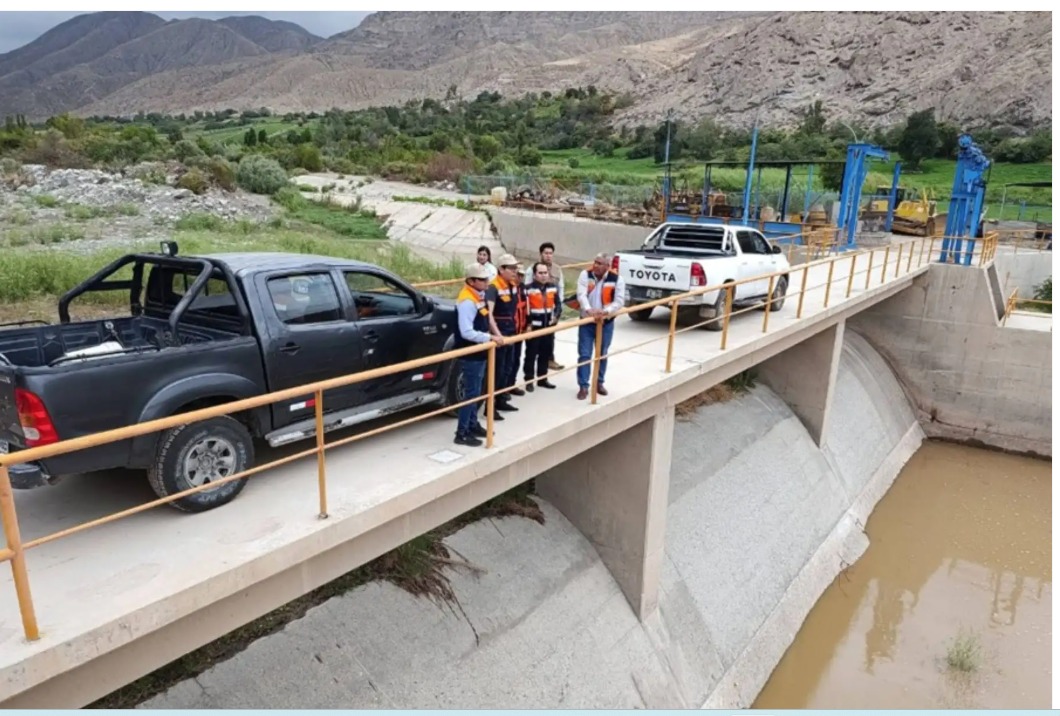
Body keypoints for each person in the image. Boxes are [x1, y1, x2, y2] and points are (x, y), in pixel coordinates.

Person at [453, 262, 504, 447]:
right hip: (471, 353)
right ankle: (462, 433)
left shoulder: (478, 296)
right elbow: (466, 331)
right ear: (471, 281)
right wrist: (490, 337)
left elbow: (486, 318)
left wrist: (496, 335)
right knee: (471, 393)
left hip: (480, 351)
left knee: (477, 390)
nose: (486, 282)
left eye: (486, 279)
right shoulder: (467, 301)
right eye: (482, 280)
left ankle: (472, 425)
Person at [575, 252, 626, 400]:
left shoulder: (617, 279)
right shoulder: (585, 275)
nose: (595, 265)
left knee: (602, 353)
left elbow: (619, 301)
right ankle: (583, 386)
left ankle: (599, 382)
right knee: (585, 354)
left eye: (599, 263)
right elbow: (581, 295)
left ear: (607, 266)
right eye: (595, 262)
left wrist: (605, 312)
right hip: (587, 322)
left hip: (605, 323)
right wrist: (589, 310)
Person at [484, 252, 521, 417]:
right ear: (501, 269)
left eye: (515, 268)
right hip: (500, 335)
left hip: (511, 333)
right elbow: (489, 315)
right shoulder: (493, 287)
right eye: (511, 268)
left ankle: (501, 400)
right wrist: (498, 335)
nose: (515, 271)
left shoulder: (512, 285)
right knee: (496, 371)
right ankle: (490, 407)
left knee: (507, 368)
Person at [525, 242, 565, 370]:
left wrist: (557, 312)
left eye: (550, 253)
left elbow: (561, 289)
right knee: (533, 347)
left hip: (550, 312)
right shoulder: (532, 269)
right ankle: (530, 374)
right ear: (541, 254)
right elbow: (527, 291)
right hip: (536, 315)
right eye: (546, 253)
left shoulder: (557, 270)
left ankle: (549, 361)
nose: (548, 256)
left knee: (549, 339)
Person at [523, 261, 559, 391]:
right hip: (534, 328)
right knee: (531, 354)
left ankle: (542, 379)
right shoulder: (527, 289)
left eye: (545, 273)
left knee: (545, 353)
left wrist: (556, 317)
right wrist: (528, 325)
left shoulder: (553, 287)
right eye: (540, 273)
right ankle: (529, 380)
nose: (543, 275)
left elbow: (558, 305)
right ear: (534, 275)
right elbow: (526, 309)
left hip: (548, 327)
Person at [507, 264, 530, 396]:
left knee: (516, 360)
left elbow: (527, 308)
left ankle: (511, 385)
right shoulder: (508, 288)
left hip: (520, 330)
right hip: (510, 331)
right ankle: (502, 390)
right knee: (506, 362)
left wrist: (528, 324)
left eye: (522, 275)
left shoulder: (523, 288)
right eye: (518, 274)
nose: (520, 277)